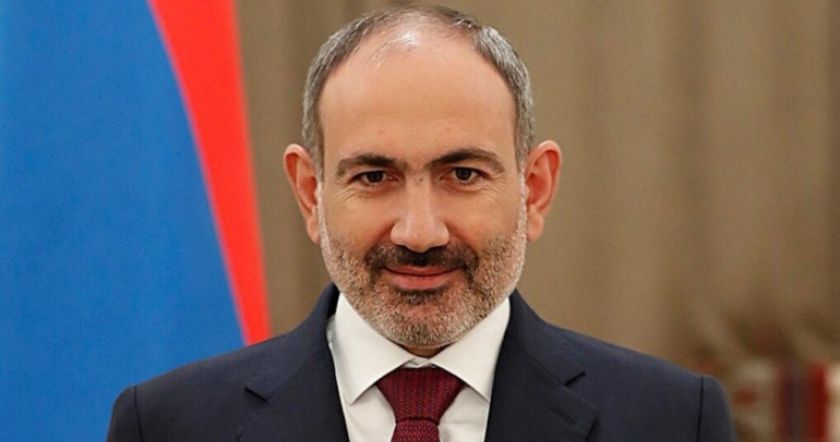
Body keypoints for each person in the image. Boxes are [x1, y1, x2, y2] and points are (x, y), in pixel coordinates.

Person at [107, 5, 734, 441]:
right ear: (311, 195)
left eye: (462, 174)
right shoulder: (167, 426)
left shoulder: (673, 422)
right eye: (373, 177)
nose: (419, 232)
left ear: (535, 190)